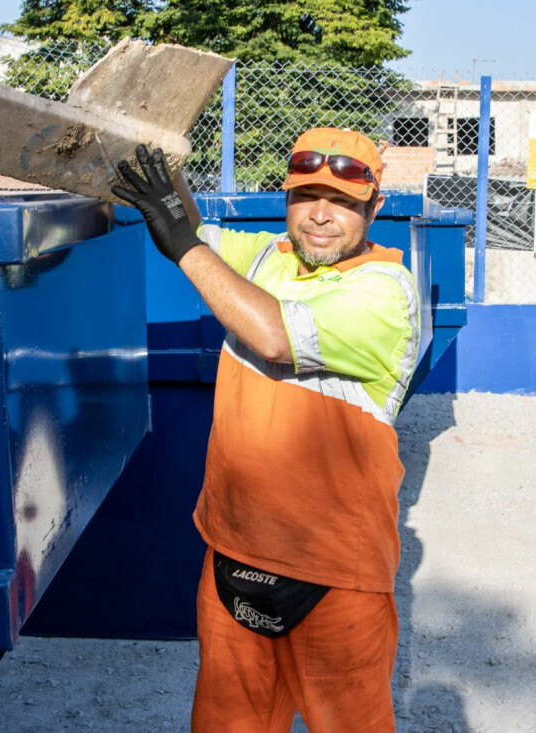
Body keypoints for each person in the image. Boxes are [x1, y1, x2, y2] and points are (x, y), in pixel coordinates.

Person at [111, 128, 419, 733]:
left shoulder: (385, 291)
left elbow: (274, 334)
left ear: (374, 208)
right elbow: (192, 230)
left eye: (344, 202)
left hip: (336, 576)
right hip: (234, 552)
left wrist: (181, 244)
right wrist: (155, 144)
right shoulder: (264, 257)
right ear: (285, 198)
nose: (322, 216)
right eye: (306, 196)